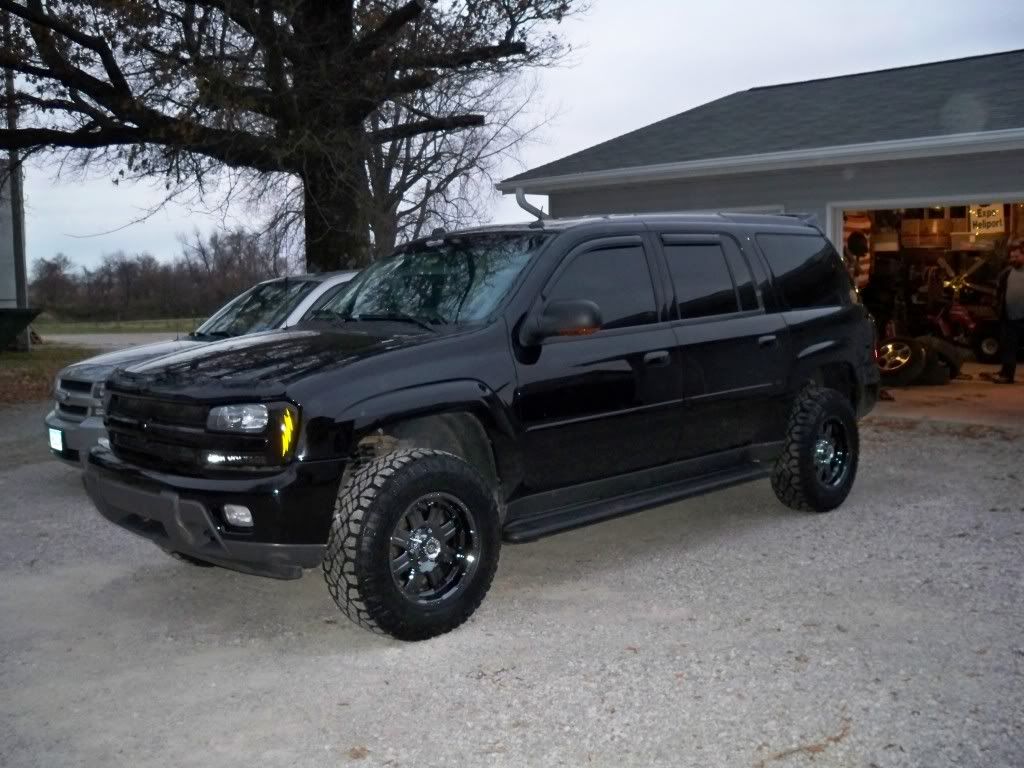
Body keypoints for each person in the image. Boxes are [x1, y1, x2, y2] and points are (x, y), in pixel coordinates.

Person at [990, 237, 1024, 384]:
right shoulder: (1007, 272)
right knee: (1008, 347)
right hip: (1009, 317)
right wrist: (997, 304)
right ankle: (1006, 374)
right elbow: (998, 290)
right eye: (1012, 257)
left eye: (1016, 257)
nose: (1013, 259)